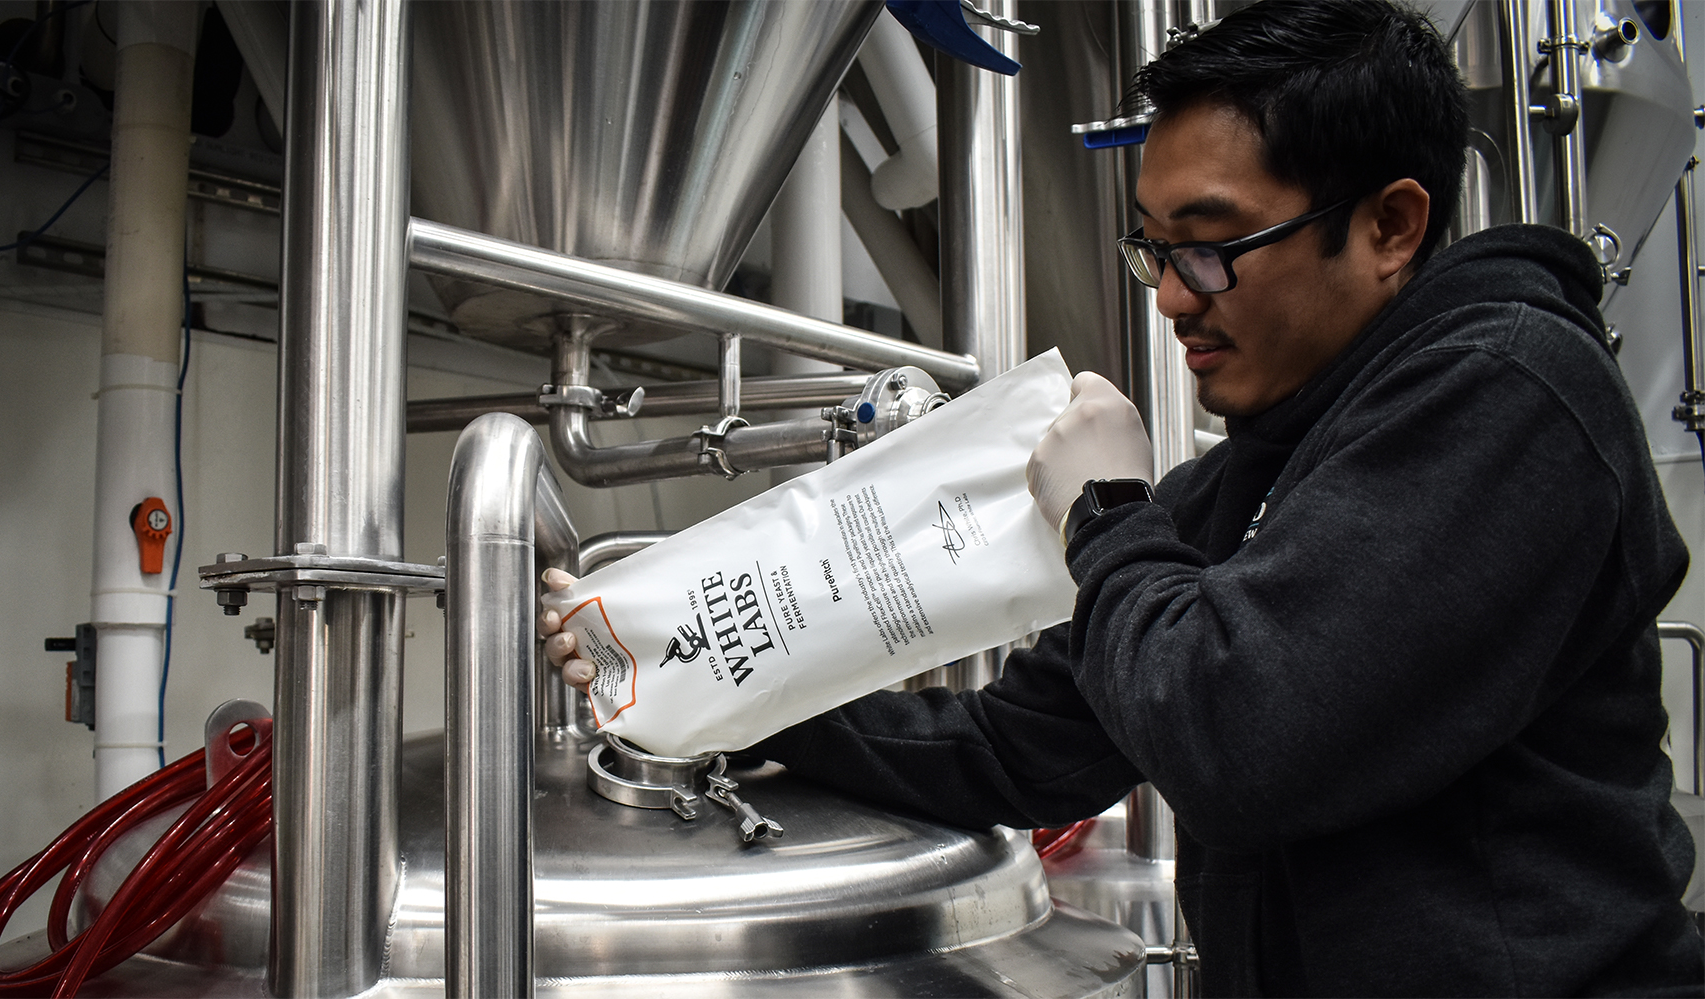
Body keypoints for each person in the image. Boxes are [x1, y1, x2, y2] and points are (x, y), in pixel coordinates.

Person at [544, 1, 1703, 993]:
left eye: (1209, 245)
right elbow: (1014, 751)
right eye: (1153, 250)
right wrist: (703, 668)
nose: (1173, 299)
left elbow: (1243, 741)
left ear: (1389, 224)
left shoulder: (1511, 394)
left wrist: (1106, 514)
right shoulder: (1260, 476)